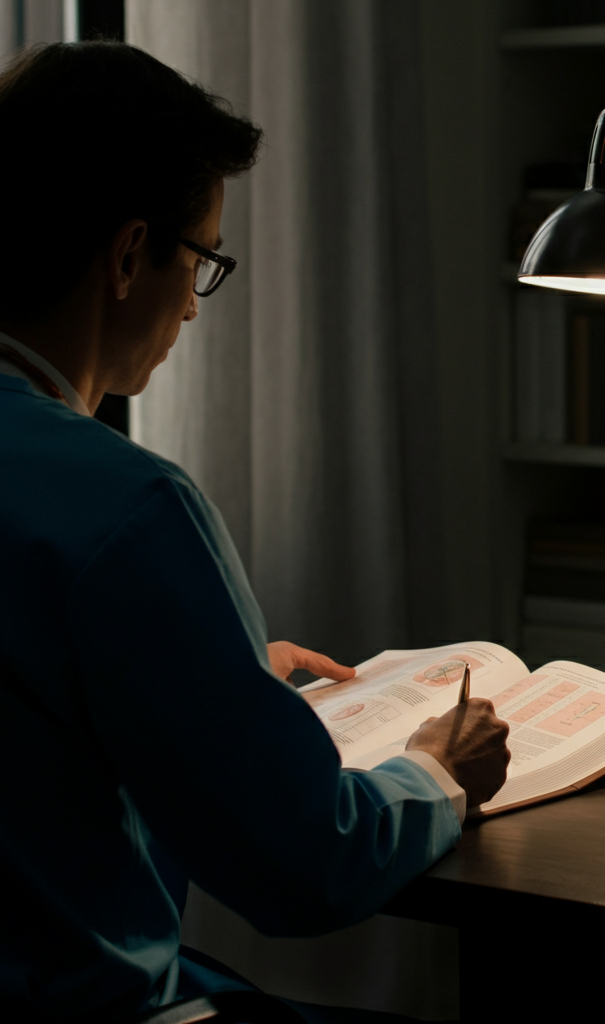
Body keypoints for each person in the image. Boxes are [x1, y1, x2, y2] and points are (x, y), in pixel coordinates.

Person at [0, 40, 510, 1024]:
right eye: (200, 259)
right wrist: (437, 772)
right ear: (127, 254)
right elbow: (304, 862)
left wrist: (205, 679)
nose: (193, 304)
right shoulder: (127, 507)